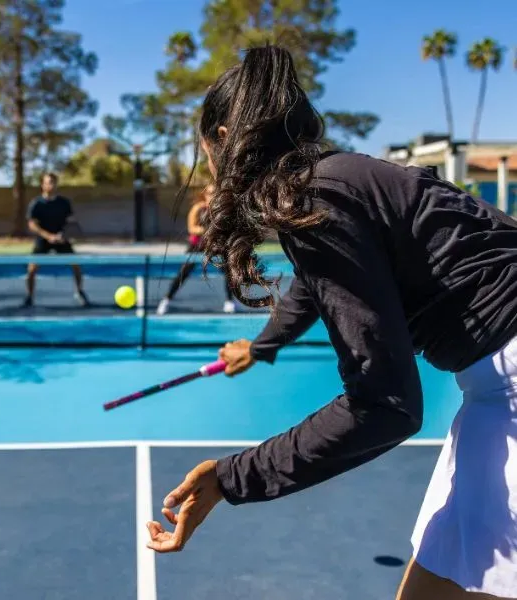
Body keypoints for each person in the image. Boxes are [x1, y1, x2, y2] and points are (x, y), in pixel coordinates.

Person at [145, 44, 517, 600]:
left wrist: (230, 479)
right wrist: (264, 344)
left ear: (224, 139)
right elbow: (315, 285)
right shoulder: (333, 181)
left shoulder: (317, 197)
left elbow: (385, 405)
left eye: (206, 150)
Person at [157, 183, 237, 315]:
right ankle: (166, 300)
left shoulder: (221, 210)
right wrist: (207, 230)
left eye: (215, 192)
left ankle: (229, 302)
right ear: (205, 195)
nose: (213, 195)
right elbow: (191, 228)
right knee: (184, 272)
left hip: (216, 246)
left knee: (229, 272)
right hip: (197, 246)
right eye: (210, 192)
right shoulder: (197, 208)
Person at [23, 172, 90, 307]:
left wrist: (62, 235)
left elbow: (71, 221)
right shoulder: (36, 204)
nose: (51, 185)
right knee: (31, 269)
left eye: (53, 182)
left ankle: (79, 292)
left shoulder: (64, 203)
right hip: (43, 240)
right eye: (48, 182)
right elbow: (32, 225)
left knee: (76, 265)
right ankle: (29, 297)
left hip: (61, 239)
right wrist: (48, 236)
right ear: (43, 185)